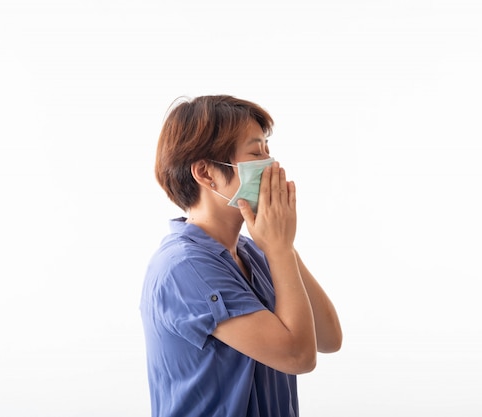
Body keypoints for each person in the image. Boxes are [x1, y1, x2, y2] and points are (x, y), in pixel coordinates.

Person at [140, 95, 342, 417]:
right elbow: (298, 357)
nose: (271, 165)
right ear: (206, 173)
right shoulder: (186, 267)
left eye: (268, 151)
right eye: (256, 152)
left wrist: (282, 247)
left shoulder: (251, 252)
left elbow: (329, 338)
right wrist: (278, 248)